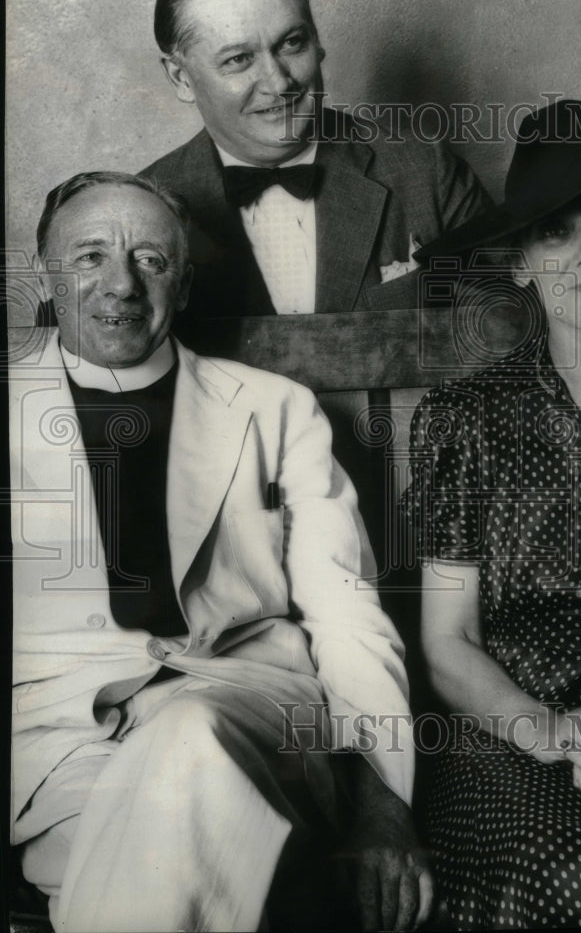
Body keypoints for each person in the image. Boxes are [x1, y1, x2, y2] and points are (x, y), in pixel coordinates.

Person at [10, 171, 435, 932]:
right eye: (89, 257)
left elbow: (345, 611)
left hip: (254, 713)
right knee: (147, 864)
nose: (121, 286)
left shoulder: (273, 409)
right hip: (63, 746)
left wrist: (382, 796)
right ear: (44, 268)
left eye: (150, 259)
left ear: (184, 279)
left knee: (187, 740)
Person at [404, 99, 581, 928]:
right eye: (556, 233)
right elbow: (448, 643)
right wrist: (553, 734)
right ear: (522, 263)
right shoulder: (466, 422)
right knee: (547, 861)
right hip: (513, 736)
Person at [138, 0, 490, 341]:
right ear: (181, 79)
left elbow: (510, 334)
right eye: (238, 59)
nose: (278, 82)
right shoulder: (138, 213)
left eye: (291, 43)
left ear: (318, 43)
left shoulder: (427, 173)